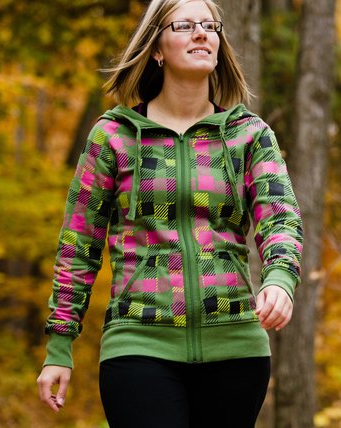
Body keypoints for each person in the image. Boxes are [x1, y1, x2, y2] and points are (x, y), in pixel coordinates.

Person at [36, 0, 303, 426]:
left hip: (235, 346)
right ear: (157, 48)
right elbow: (79, 245)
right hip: (138, 344)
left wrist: (281, 278)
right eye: (185, 25)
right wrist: (59, 345)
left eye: (210, 25)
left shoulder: (249, 135)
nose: (202, 33)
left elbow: (280, 217)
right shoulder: (115, 136)